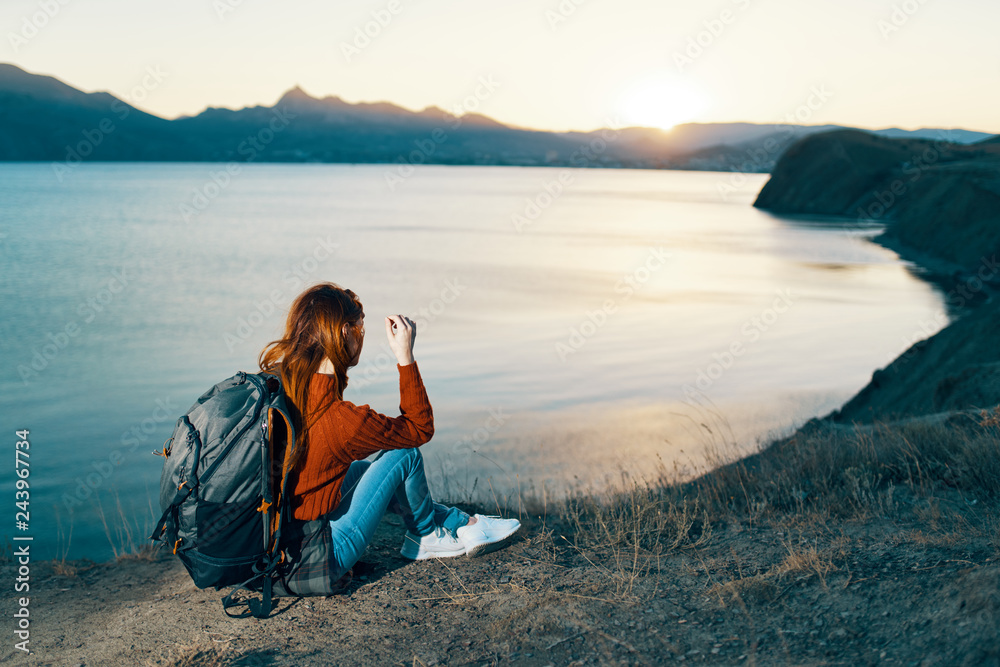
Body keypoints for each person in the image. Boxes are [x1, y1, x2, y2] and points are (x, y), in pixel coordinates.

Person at [258, 282, 519, 585]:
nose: (362, 337)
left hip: (275, 548)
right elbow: (418, 429)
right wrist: (405, 356)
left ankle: (463, 522)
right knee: (402, 455)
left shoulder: (279, 389)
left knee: (361, 469)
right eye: (360, 330)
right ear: (344, 334)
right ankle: (427, 536)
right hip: (318, 560)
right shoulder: (342, 421)